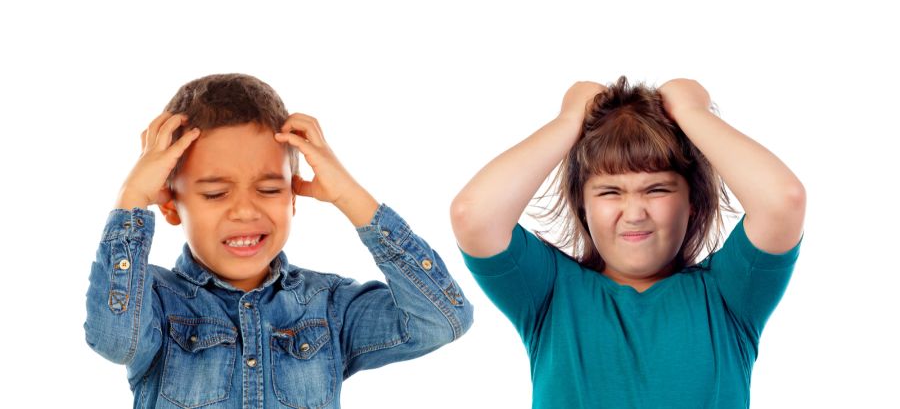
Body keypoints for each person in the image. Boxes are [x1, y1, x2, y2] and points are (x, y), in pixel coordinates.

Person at [85, 73, 473, 409]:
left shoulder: (328, 306)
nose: (244, 211)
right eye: (216, 194)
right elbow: (114, 339)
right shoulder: (152, 300)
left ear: (292, 197)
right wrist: (132, 197)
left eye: (269, 189)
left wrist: (350, 196)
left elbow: (442, 320)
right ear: (170, 205)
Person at [450, 77, 805, 408]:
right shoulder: (553, 292)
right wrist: (570, 119)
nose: (634, 213)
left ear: (692, 201)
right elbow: (474, 216)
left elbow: (782, 202)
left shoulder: (728, 295)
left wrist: (691, 112)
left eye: (657, 189)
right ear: (582, 205)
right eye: (610, 192)